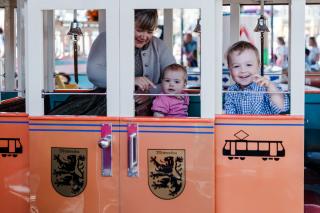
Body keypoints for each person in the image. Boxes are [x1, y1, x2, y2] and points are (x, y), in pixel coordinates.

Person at [49, 9, 176, 116]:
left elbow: (176, 78)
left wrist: (150, 94)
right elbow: (94, 72)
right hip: (106, 102)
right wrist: (130, 80)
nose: (144, 36)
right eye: (139, 30)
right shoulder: (107, 38)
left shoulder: (158, 45)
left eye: (149, 32)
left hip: (147, 110)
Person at [224, 41, 290, 115]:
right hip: (241, 127)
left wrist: (270, 86)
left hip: (265, 126)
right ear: (229, 69)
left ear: (258, 66)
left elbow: (281, 107)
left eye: (248, 65)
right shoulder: (231, 91)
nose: (243, 70)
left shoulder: (265, 87)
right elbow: (230, 117)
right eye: (236, 66)